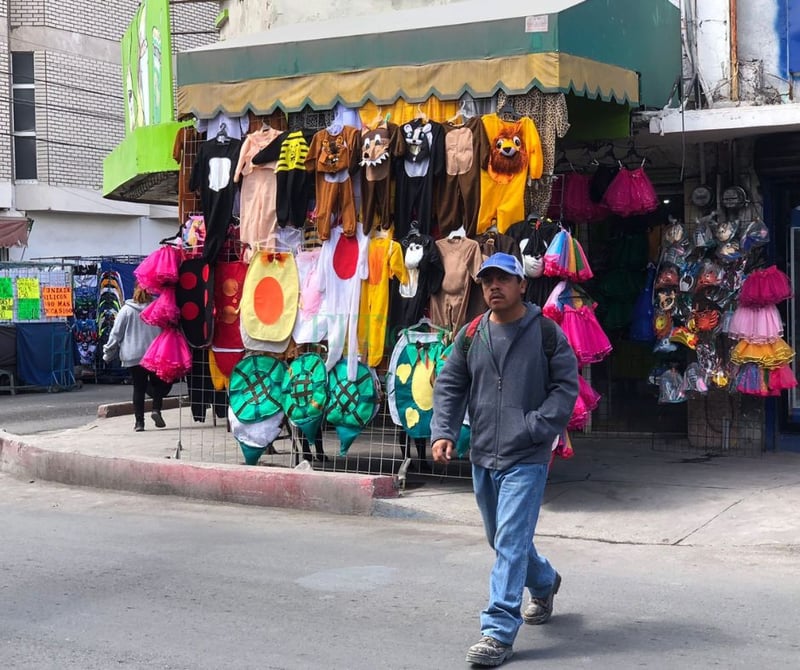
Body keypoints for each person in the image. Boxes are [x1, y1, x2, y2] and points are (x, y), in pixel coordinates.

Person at [430, 252, 579, 667]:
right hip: (484, 452)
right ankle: (546, 582)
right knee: (500, 539)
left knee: (510, 542)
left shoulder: (547, 333)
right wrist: (443, 431)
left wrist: (535, 427)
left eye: (503, 279)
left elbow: (567, 388)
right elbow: (449, 384)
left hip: (527, 456)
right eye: (487, 281)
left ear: (521, 285)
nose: (494, 287)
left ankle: (497, 632)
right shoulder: (472, 333)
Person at [103, 284, 170, 432]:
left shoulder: (126, 311)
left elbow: (116, 334)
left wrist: (108, 352)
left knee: (138, 388)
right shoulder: (158, 309)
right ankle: (156, 410)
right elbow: (167, 329)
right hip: (155, 354)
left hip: (133, 356)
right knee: (157, 384)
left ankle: (139, 423)